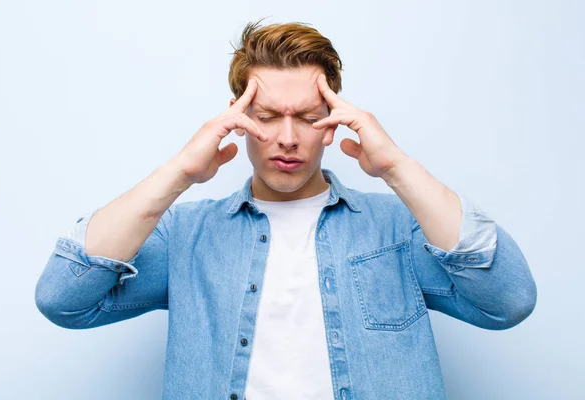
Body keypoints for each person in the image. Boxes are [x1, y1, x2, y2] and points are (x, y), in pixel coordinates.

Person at [35, 19, 537, 400]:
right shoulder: (187, 235)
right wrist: (181, 172)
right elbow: (63, 298)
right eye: (267, 117)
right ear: (237, 119)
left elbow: (508, 301)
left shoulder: (398, 228)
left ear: (335, 122)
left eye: (310, 118)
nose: (289, 138)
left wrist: (395, 168)